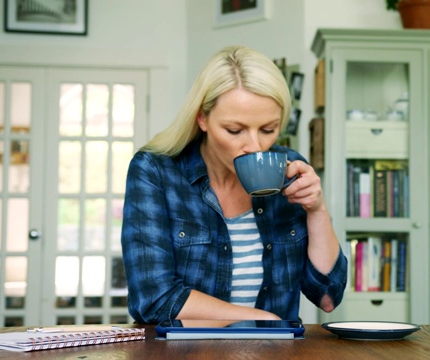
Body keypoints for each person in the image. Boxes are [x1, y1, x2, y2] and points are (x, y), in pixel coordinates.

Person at [121, 46, 347, 324]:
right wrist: (259, 319)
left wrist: (317, 209)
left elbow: (328, 296)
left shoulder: (289, 170)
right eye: (235, 130)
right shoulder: (155, 171)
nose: (255, 146)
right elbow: (152, 299)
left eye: (268, 129)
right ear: (202, 118)